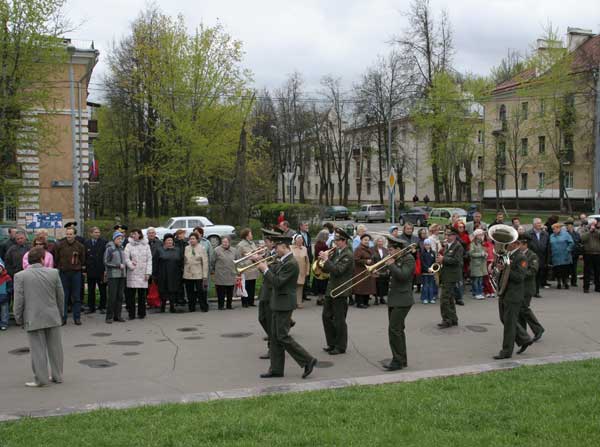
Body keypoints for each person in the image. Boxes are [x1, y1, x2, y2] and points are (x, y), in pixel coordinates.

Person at [257, 236, 317, 379]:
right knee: (276, 337)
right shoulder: (283, 261)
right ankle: (276, 369)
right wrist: (261, 264)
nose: (275, 250)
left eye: (276, 247)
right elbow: (273, 272)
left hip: (284, 304)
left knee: (282, 336)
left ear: (284, 247)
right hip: (277, 303)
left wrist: (265, 270)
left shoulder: (291, 263)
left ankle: (308, 360)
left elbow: (277, 282)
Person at [13, 247, 64, 386]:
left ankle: (41, 379)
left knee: (37, 350)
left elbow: (18, 300)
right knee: (56, 349)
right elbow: (60, 296)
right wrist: (60, 313)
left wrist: (18, 318)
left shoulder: (20, 276)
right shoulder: (54, 273)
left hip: (32, 317)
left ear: (28, 260)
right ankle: (58, 376)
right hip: (52, 316)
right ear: (42, 259)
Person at [493, 239, 534, 360]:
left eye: (509, 243)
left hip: (514, 294)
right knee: (504, 319)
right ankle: (525, 339)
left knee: (509, 324)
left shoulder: (521, 258)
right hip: (504, 292)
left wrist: (506, 269)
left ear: (516, 244)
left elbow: (520, 277)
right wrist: (499, 269)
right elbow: (504, 272)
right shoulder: (507, 255)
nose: (506, 245)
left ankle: (506, 351)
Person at [383, 235, 416, 371]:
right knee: (397, 330)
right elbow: (392, 276)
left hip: (403, 300)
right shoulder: (397, 259)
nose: (388, 252)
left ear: (398, 249)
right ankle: (401, 359)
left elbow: (403, 276)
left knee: (394, 330)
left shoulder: (408, 259)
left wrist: (391, 265)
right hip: (394, 299)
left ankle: (397, 361)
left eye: (390, 249)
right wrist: (378, 274)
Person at [320, 228, 354, 355]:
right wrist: (324, 261)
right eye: (334, 240)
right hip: (331, 288)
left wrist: (326, 260)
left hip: (341, 290)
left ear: (344, 241)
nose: (335, 243)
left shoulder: (348, 255)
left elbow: (338, 271)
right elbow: (328, 269)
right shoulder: (336, 252)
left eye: (337, 240)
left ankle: (340, 346)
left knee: (339, 320)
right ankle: (332, 343)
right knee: (326, 316)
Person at [54, 227, 85, 325]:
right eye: (67, 234)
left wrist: (78, 267)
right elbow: (56, 258)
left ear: (75, 235)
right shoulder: (60, 245)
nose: (69, 236)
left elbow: (83, 259)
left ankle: (77, 317)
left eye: (71, 234)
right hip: (64, 273)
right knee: (64, 296)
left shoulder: (80, 246)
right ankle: (63, 318)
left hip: (76, 273)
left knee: (76, 296)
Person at [517, 234, 545, 342]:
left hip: (527, 287)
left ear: (525, 244)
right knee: (520, 310)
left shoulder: (532, 255)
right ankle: (522, 332)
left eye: (519, 244)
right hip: (518, 287)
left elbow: (533, 271)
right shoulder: (517, 254)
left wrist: (520, 274)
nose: (517, 246)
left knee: (524, 308)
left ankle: (538, 329)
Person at [256, 229, 279, 359]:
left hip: (271, 291)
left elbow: (273, 273)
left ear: (272, 242)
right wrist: (257, 261)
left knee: (270, 321)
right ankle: (274, 341)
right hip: (265, 290)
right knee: (262, 318)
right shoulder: (268, 253)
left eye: (266, 241)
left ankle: (273, 347)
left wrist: (262, 264)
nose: (264, 244)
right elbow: (263, 272)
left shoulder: (276, 256)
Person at [437, 226, 463, 328]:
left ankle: (447, 320)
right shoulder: (448, 246)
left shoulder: (458, 246)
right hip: (446, 275)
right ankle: (453, 319)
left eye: (449, 235)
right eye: (446, 234)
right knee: (450, 299)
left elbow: (457, 261)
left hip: (451, 276)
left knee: (444, 299)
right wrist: (440, 259)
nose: (446, 236)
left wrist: (443, 259)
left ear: (454, 236)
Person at [124, 229, 153, 319]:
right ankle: (131, 314)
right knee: (131, 294)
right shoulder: (128, 245)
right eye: (132, 233)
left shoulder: (146, 245)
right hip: (132, 272)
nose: (133, 235)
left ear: (140, 234)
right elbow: (126, 258)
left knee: (142, 294)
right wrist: (131, 265)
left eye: (135, 233)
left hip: (143, 272)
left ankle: (142, 313)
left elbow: (149, 260)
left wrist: (148, 272)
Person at [153, 234, 183, 313]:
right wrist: (154, 275)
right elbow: (155, 263)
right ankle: (162, 305)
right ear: (164, 242)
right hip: (163, 274)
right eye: (168, 240)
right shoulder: (159, 250)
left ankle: (172, 306)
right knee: (163, 290)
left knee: (173, 290)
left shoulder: (178, 250)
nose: (169, 242)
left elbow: (181, 262)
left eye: (171, 240)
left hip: (174, 274)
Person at [183, 232, 209, 312]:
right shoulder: (187, 248)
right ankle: (191, 307)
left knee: (200, 291)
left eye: (193, 239)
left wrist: (205, 276)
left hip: (198, 274)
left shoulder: (202, 248)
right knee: (189, 292)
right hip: (188, 274)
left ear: (197, 240)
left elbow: (205, 262)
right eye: (190, 239)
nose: (192, 240)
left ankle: (203, 306)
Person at [104, 231, 126, 323]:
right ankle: (109, 317)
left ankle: (118, 316)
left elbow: (124, 261)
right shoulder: (109, 249)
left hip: (122, 275)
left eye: (121, 238)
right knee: (112, 297)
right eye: (118, 238)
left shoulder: (122, 248)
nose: (120, 240)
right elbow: (106, 261)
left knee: (120, 296)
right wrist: (117, 265)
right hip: (113, 275)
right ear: (114, 239)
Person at [84, 227, 107, 314]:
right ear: (91, 233)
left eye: (98, 232)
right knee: (91, 290)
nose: (97, 234)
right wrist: (85, 270)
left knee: (102, 290)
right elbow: (85, 257)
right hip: (90, 270)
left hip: (101, 270)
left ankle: (103, 306)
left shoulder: (104, 242)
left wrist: (105, 270)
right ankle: (91, 307)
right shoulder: (86, 243)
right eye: (95, 232)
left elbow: (106, 256)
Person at [236, 228, 259, 308]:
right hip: (246, 268)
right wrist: (243, 266)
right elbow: (239, 258)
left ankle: (251, 301)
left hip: (253, 267)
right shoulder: (240, 245)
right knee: (245, 285)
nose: (252, 235)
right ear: (246, 236)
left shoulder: (252, 243)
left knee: (252, 285)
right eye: (250, 234)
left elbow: (255, 252)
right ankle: (245, 302)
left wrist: (257, 255)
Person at [528, 218, 550, 297]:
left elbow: (548, 248)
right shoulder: (529, 234)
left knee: (538, 276)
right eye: (537, 223)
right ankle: (530, 290)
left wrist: (548, 260)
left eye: (540, 223)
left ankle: (536, 291)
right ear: (533, 224)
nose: (539, 225)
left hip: (542, 258)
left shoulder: (545, 234)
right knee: (531, 275)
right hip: (531, 258)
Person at [213, 236, 237, 310]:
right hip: (220, 274)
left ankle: (229, 305)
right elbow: (212, 261)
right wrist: (213, 271)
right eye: (223, 242)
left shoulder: (234, 250)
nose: (224, 243)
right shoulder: (216, 250)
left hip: (231, 273)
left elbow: (237, 260)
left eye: (226, 242)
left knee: (230, 291)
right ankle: (221, 305)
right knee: (221, 291)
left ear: (229, 242)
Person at [353, 233, 376, 309]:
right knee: (360, 287)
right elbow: (356, 259)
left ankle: (365, 302)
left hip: (368, 270)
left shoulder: (368, 248)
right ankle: (359, 303)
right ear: (361, 240)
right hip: (360, 270)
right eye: (365, 240)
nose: (367, 241)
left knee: (367, 287)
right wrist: (365, 261)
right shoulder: (358, 249)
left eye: (368, 240)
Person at [549, 222, 574, 289]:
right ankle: (559, 282)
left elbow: (571, 243)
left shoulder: (566, 234)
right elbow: (550, 245)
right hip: (555, 256)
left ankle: (565, 282)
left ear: (559, 228)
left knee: (565, 270)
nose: (554, 230)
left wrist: (568, 249)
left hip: (565, 255)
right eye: (553, 229)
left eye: (555, 229)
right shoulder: (551, 236)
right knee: (557, 270)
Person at [291, 234, 310, 309]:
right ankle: (292, 303)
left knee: (300, 287)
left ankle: (299, 303)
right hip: (293, 270)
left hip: (302, 270)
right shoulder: (290, 248)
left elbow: (307, 261)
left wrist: (307, 271)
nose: (300, 240)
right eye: (298, 239)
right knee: (292, 287)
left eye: (301, 239)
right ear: (295, 240)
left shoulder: (304, 248)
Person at [581, 219, 600, 293]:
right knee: (587, 272)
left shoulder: (598, 231)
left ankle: (598, 287)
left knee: (598, 272)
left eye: (594, 224)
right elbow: (582, 239)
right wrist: (590, 232)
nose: (593, 225)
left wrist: (596, 231)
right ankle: (586, 287)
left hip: (597, 254)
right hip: (588, 253)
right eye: (592, 224)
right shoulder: (585, 231)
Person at [313, 230, 330, 306]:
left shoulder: (317, 244)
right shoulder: (323, 245)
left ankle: (320, 298)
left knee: (319, 281)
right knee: (323, 282)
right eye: (327, 235)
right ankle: (321, 298)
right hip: (322, 265)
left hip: (317, 264)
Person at [469, 229, 487, 300]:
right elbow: (471, 253)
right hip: (475, 264)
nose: (481, 236)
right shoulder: (472, 244)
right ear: (476, 236)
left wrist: (485, 254)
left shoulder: (480, 243)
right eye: (480, 235)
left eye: (481, 235)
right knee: (476, 280)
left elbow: (483, 251)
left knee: (480, 279)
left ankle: (480, 292)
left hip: (481, 264)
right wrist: (481, 254)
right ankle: (477, 293)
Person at [298, 221, 313, 300]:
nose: (307, 227)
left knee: (307, 276)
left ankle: (305, 294)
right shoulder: (297, 235)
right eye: (305, 225)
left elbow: (309, 246)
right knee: (301, 276)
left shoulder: (308, 234)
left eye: (307, 225)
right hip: (301, 258)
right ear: (300, 227)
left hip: (308, 258)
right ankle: (300, 295)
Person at [372, 236, 389, 305]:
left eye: (381, 241)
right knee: (376, 285)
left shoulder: (385, 250)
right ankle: (376, 299)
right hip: (376, 269)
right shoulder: (372, 250)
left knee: (383, 284)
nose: (380, 243)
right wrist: (374, 269)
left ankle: (382, 298)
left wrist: (388, 268)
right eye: (379, 241)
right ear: (376, 242)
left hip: (384, 269)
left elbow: (388, 259)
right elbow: (372, 259)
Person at [565, 219, 582, 287]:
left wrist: (580, 254)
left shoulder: (577, 234)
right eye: (567, 226)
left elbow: (580, 244)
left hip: (575, 254)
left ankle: (574, 282)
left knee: (574, 269)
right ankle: (566, 281)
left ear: (572, 226)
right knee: (567, 268)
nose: (568, 227)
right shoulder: (565, 234)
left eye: (569, 226)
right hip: (567, 254)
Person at [420, 239, 437, 304]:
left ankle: (431, 298)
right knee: (425, 285)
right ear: (424, 245)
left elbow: (434, 262)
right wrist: (427, 268)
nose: (427, 246)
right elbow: (422, 262)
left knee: (431, 285)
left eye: (428, 244)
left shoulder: (433, 252)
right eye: (426, 245)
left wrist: (432, 268)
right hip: (425, 271)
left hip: (431, 271)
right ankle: (425, 298)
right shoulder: (422, 253)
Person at [0, 259, 11, 330]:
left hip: (4, 297)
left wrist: (8, 293)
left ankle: (4, 323)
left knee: (4, 311)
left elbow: (10, 286)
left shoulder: (7, 277)